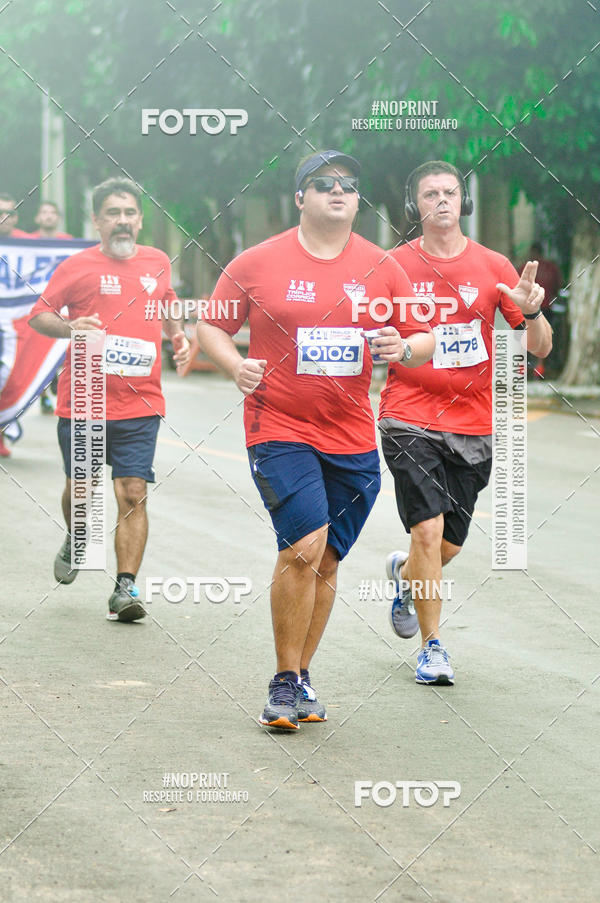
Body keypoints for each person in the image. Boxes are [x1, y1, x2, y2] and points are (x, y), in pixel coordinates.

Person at [197, 149, 435, 730]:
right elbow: (210, 324)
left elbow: (423, 335)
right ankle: (282, 681)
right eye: (323, 183)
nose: (338, 191)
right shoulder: (258, 261)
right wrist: (234, 366)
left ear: (358, 200)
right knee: (302, 547)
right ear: (300, 197)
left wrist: (401, 349)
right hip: (278, 427)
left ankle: (302, 677)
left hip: (351, 435)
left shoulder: (383, 267)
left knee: (326, 560)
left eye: (349, 185)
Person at [379, 160, 552, 686]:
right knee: (427, 531)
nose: (442, 201)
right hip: (407, 415)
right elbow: (377, 338)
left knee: (446, 546)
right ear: (416, 207)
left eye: (450, 192)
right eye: (429, 193)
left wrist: (535, 312)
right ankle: (432, 649)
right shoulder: (394, 266)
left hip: (473, 424)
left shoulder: (493, 265)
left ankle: (405, 578)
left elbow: (539, 349)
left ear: (464, 201)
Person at [29, 177, 190, 621]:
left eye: (129, 213)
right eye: (113, 214)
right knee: (81, 493)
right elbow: (39, 315)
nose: (122, 221)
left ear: (139, 220)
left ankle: (125, 587)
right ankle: (76, 535)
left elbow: (168, 302)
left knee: (133, 492)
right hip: (83, 401)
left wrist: (179, 335)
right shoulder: (76, 266)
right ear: (97, 221)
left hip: (140, 404)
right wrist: (71, 327)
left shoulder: (157, 261)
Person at [29, 202, 74, 412]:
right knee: (38, 352)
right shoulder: (27, 244)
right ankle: (44, 393)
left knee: (61, 348)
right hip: (36, 304)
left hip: (62, 303)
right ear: (37, 218)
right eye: (44, 212)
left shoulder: (70, 244)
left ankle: (57, 380)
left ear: (58, 218)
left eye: (52, 213)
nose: (48, 216)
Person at [519, 241, 562, 378]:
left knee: (525, 338)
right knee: (543, 338)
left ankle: (524, 369)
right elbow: (558, 286)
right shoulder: (551, 268)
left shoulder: (525, 268)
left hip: (527, 309)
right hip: (545, 308)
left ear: (532, 252)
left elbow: (516, 285)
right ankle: (539, 368)